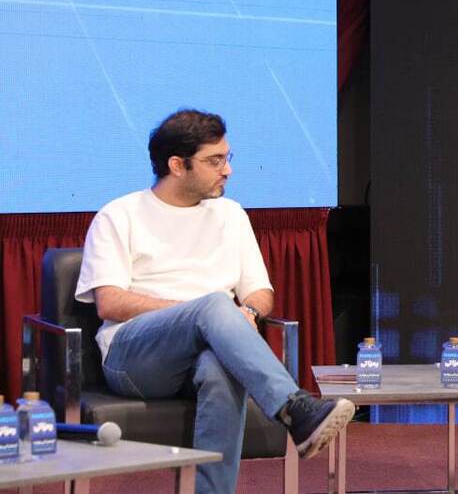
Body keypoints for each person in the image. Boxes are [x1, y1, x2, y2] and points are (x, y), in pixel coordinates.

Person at [75, 109, 355, 494]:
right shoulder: (118, 215)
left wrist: (248, 312)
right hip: (134, 358)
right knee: (212, 306)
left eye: (227, 158)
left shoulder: (231, 215)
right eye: (214, 161)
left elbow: (260, 293)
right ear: (177, 165)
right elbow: (109, 303)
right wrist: (199, 314)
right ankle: (294, 407)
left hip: (204, 352)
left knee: (219, 369)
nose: (227, 170)